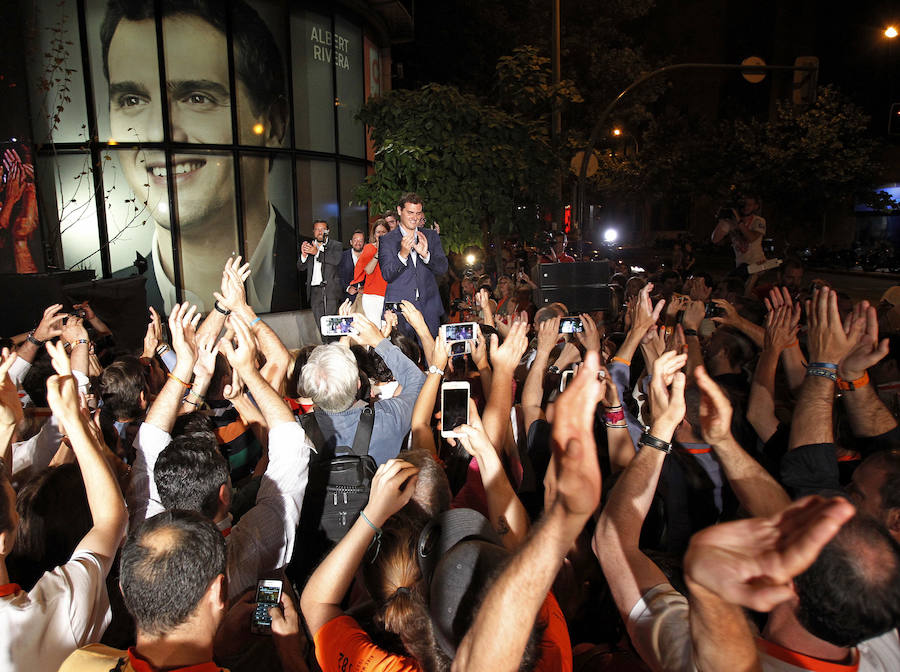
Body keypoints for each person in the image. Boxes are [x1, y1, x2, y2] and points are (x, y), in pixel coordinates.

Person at [101, 0, 299, 314]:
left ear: (273, 123)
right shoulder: (106, 309)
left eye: (196, 98)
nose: (157, 134)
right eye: (132, 99)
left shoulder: (321, 273)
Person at [0, 344, 128, 672]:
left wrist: (5, 429)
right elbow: (110, 521)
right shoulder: (43, 614)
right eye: (16, 505)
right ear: (2, 539)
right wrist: (75, 420)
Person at [379, 193, 449, 337]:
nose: (414, 217)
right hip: (400, 310)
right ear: (399, 211)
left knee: (431, 357)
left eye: (418, 213)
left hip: (429, 308)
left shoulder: (430, 236)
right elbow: (387, 274)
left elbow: (442, 268)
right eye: (410, 212)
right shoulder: (387, 240)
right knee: (403, 356)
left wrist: (426, 256)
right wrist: (402, 254)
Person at [298, 220, 344, 329]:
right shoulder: (309, 246)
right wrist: (304, 255)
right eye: (317, 229)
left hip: (330, 291)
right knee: (320, 325)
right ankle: (325, 344)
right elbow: (301, 267)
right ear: (313, 231)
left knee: (331, 324)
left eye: (323, 229)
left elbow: (335, 260)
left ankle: (334, 345)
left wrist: (317, 253)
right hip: (315, 291)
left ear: (328, 231)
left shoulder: (336, 245)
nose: (320, 232)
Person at [711, 195, 767, 270]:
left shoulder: (759, 221)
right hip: (740, 265)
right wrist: (722, 220)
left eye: (749, 205)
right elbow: (715, 239)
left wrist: (738, 220)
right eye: (743, 204)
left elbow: (751, 238)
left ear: (756, 206)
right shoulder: (731, 222)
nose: (745, 207)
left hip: (758, 264)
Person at [352, 219, 389, 324]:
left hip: (389, 294)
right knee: (374, 328)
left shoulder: (393, 249)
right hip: (372, 295)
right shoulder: (368, 248)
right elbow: (368, 270)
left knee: (387, 328)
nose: (381, 235)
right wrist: (378, 252)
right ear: (374, 234)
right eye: (378, 232)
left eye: (383, 232)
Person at [339, 229, 366, 305]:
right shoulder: (342, 256)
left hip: (366, 297)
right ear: (351, 242)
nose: (358, 243)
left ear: (364, 243)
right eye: (355, 240)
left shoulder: (369, 256)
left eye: (361, 240)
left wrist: (365, 288)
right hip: (347, 297)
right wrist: (347, 288)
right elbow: (338, 276)